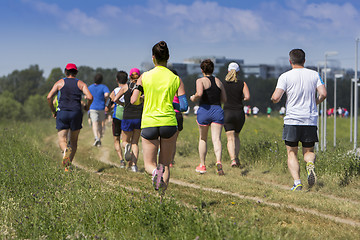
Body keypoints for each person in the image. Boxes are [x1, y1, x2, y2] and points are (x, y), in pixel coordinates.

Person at [130, 40, 188, 193]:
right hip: (169, 122)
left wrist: (144, 99)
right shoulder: (176, 79)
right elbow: (184, 106)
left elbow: (133, 100)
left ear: (153, 58)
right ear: (168, 57)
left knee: (150, 164)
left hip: (149, 122)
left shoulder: (144, 76)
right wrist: (171, 104)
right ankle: (162, 196)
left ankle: (155, 174)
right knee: (165, 164)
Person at [271, 49, 327, 191]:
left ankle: (297, 183)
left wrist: (273, 99)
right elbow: (323, 93)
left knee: (292, 152)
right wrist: (315, 102)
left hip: (292, 120)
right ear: (304, 60)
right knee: (308, 151)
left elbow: (276, 97)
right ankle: (309, 164)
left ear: (290, 61)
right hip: (309, 120)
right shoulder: (314, 74)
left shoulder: (285, 76)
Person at [47, 63, 93, 171]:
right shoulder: (80, 83)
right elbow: (90, 97)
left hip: (62, 112)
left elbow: (49, 97)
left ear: (65, 72)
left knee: (62, 140)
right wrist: (87, 107)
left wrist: (53, 111)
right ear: (76, 73)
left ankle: (65, 151)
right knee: (73, 141)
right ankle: (67, 167)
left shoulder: (60, 83)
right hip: (76, 113)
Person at [190, 59, 227, 175]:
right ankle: (218, 161)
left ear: (202, 70)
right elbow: (224, 99)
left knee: (203, 138)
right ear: (213, 69)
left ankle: (202, 165)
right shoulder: (218, 81)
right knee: (217, 139)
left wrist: (193, 97)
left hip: (205, 110)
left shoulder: (200, 80)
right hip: (217, 110)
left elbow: (199, 93)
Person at [114, 68, 143, 172]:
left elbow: (115, 99)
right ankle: (134, 166)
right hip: (139, 118)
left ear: (130, 76)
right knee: (135, 143)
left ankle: (126, 146)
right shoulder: (142, 88)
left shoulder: (125, 87)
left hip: (127, 117)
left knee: (125, 141)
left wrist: (123, 104)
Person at [222, 62, 250, 168]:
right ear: (238, 72)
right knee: (237, 136)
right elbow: (247, 97)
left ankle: (232, 159)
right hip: (239, 112)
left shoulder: (223, 83)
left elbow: (221, 97)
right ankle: (237, 158)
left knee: (230, 138)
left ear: (228, 71)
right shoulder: (242, 83)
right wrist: (240, 98)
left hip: (227, 112)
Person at [108, 71, 127, 168]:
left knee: (116, 139)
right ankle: (128, 151)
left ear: (117, 80)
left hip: (117, 116)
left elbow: (109, 103)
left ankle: (121, 160)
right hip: (127, 116)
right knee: (125, 140)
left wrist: (107, 109)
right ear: (127, 80)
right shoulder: (129, 89)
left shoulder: (115, 90)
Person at [88, 73, 110, 147]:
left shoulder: (90, 87)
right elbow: (106, 94)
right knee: (100, 123)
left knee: (94, 123)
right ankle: (99, 139)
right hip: (101, 107)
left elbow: (86, 95)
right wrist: (106, 99)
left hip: (92, 107)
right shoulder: (103, 87)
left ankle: (96, 137)